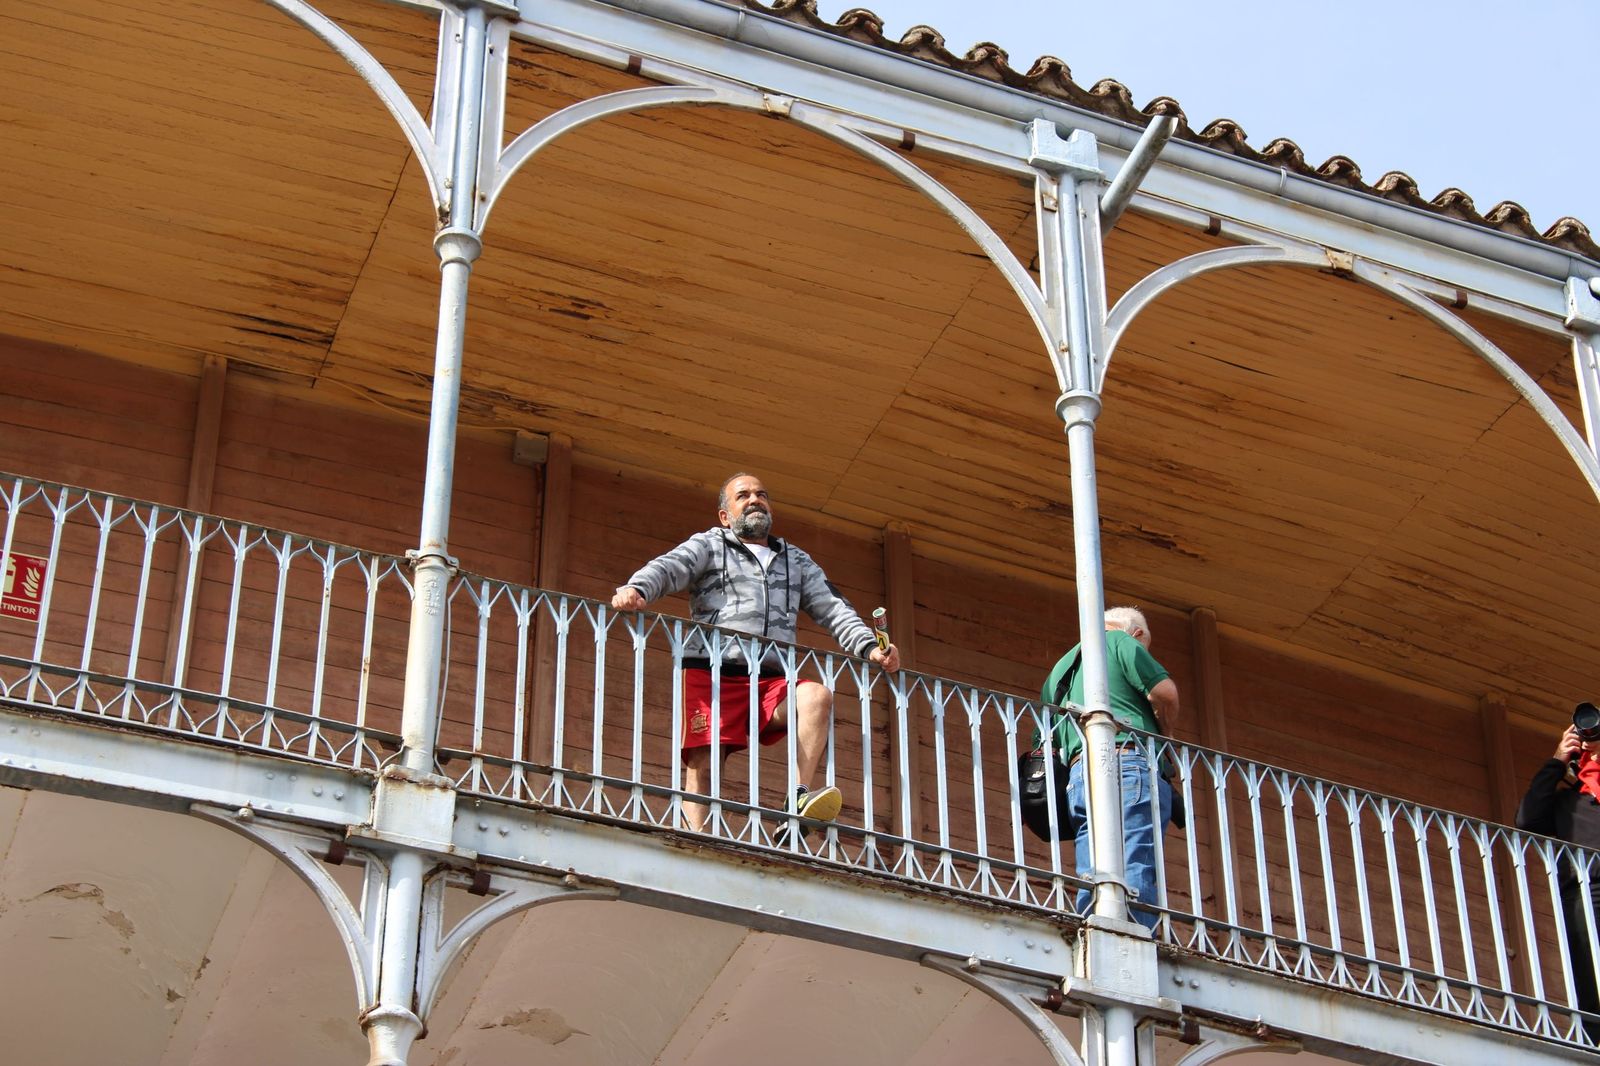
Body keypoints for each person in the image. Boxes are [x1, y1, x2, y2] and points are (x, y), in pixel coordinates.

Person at [611, 473, 901, 832]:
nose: (754, 500)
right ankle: (697, 839)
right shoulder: (710, 545)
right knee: (702, 762)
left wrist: (870, 647)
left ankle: (797, 799)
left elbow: (833, 607)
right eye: (743, 495)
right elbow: (670, 568)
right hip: (712, 670)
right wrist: (637, 588)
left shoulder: (795, 561)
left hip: (771, 677)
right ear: (724, 514)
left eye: (761, 494)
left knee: (816, 696)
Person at [1040, 606, 1180, 930]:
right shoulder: (1121, 641)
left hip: (1079, 771)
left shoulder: (1061, 669)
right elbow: (1166, 694)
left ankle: (1093, 921)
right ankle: (1137, 929)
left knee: (1092, 850)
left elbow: (1043, 735)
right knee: (1135, 847)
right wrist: (1167, 734)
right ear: (1138, 635)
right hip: (1128, 759)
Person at [1516, 720, 1600, 1032]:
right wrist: (1558, 758)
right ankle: (1595, 1038)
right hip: (1586, 887)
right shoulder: (1571, 800)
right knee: (1590, 968)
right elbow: (1528, 819)